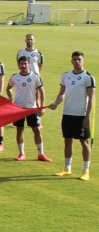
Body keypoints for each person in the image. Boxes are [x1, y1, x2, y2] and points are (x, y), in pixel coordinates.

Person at [48, 51, 95, 181]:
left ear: (83, 61)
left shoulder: (88, 77)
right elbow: (62, 93)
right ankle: (67, 168)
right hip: (67, 114)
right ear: (71, 61)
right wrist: (56, 103)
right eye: (75, 59)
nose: (77, 61)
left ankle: (86, 170)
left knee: (84, 142)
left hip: (81, 115)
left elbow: (91, 98)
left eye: (79, 59)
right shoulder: (66, 76)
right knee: (67, 140)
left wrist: (87, 117)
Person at [6, 56, 50, 162]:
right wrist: (10, 97)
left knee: (37, 130)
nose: (23, 66)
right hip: (18, 108)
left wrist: (41, 105)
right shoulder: (14, 77)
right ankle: (21, 153)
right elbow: (8, 88)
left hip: (32, 108)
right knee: (19, 130)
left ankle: (41, 153)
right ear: (18, 64)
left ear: (29, 64)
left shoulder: (35, 77)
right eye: (21, 64)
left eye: (25, 63)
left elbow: (41, 91)